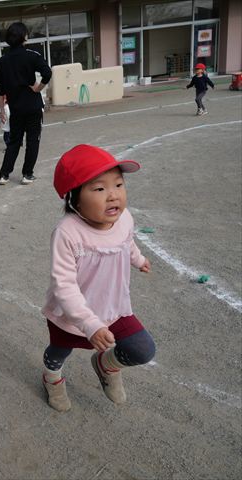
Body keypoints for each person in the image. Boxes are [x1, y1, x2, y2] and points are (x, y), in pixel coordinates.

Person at [41, 144, 156, 412]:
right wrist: (90, 324)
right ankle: (51, 378)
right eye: (100, 189)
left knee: (142, 349)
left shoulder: (124, 219)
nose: (113, 195)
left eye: (119, 184)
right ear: (74, 198)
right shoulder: (68, 233)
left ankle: (106, 365)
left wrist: (138, 259)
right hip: (72, 314)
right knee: (59, 351)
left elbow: (126, 241)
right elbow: (64, 286)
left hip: (114, 307)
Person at [0, 22, 52, 185]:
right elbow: (47, 73)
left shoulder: (2, 61)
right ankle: (27, 174)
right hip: (33, 106)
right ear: (24, 37)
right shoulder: (32, 55)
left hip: (15, 108)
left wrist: (2, 111)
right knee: (33, 141)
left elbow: (0, 90)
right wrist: (38, 88)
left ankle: (4, 175)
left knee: (14, 141)